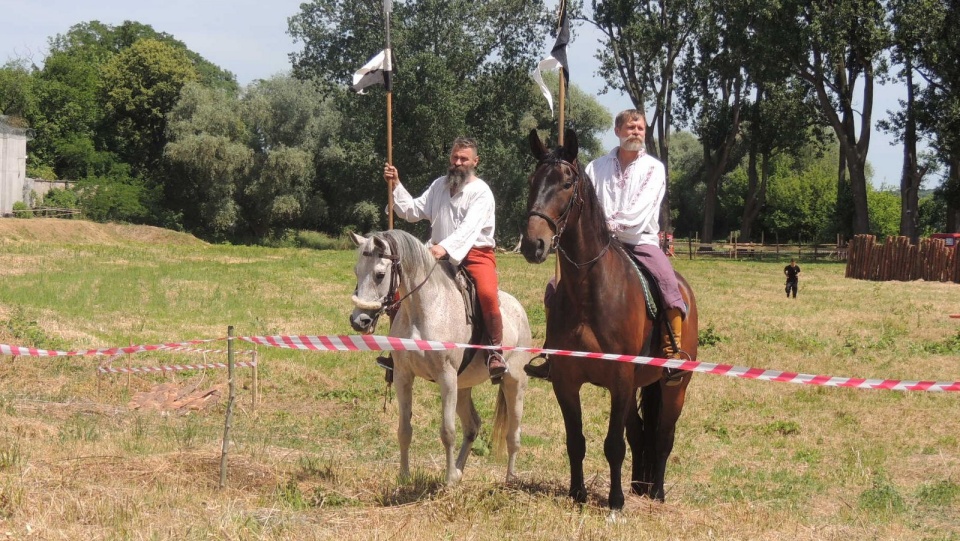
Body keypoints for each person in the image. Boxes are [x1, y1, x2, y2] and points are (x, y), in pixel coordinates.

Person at [525, 109, 687, 384]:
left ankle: (672, 353)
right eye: (629, 127)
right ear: (617, 131)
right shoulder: (595, 167)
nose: (635, 132)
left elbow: (642, 207)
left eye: (640, 128)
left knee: (668, 283)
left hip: (639, 241)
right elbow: (585, 203)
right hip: (599, 244)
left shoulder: (654, 168)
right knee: (555, 286)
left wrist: (609, 224)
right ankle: (553, 354)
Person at [379, 137, 507, 382]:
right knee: (398, 292)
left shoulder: (481, 192)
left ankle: (494, 351)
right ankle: (397, 353)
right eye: (454, 157)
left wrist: (444, 248)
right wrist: (396, 185)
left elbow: (468, 230)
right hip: (436, 254)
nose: (458, 163)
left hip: (474, 255)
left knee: (488, 295)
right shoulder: (439, 185)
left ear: (475, 161)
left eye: (464, 159)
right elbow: (413, 210)